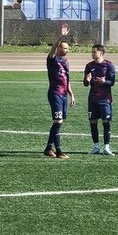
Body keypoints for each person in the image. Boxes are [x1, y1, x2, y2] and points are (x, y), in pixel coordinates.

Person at [44, 24, 75, 159]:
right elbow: (52, 48)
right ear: (58, 48)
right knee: (58, 121)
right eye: (64, 48)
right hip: (55, 94)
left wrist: (71, 94)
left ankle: (48, 148)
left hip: (63, 95)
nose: (66, 50)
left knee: (59, 122)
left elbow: (66, 79)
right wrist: (61, 36)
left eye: (67, 48)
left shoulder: (65, 61)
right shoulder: (52, 59)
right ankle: (59, 151)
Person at [83, 43, 116, 156]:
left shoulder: (109, 65)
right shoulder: (89, 66)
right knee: (93, 122)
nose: (92, 54)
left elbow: (112, 82)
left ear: (101, 53)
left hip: (105, 99)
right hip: (93, 99)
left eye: (94, 52)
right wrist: (87, 80)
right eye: (92, 52)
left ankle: (106, 147)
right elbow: (85, 84)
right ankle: (96, 146)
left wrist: (104, 81)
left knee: (106, 122)